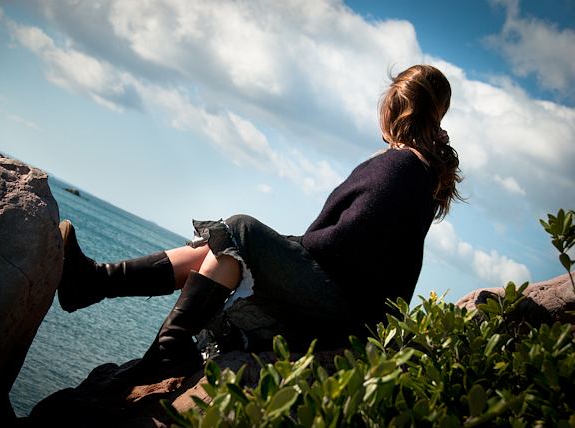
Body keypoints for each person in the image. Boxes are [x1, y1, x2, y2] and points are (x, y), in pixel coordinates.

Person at [56, 64, 461, 385]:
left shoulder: (402, 167)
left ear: (394, 108)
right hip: (349, 308)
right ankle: (95, 282)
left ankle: (165, 348)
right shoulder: (418, 171)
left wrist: (281, 246)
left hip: (341, 309)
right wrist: (282, 248)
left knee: (240, 229)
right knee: (222, 245)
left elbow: (343, 246)